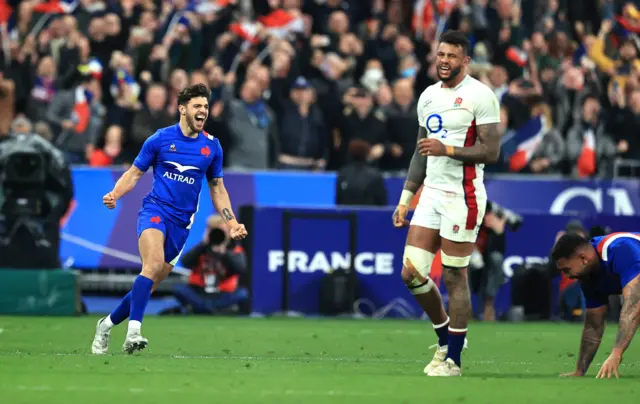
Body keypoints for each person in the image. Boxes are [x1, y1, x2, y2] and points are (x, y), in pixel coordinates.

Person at [90, 84, 248, 355]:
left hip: (181, 225)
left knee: (148, 284)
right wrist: (115, 194)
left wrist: (231, 222)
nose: (203, 111)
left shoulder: (212, 147)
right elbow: (134, 173)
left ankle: (105, 325)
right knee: (150, 266)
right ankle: (134, 333)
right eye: (198, 106)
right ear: (182, 109)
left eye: (206, 107)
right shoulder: (160, 139)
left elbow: (217, 189)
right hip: (155, 211)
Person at [392, 30, 501, 377]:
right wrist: (406, 199)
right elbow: (420, 152)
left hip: (463, 196)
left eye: (452, 56)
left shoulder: (480, 96)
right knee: (410, 272)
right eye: (440, 54)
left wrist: (448, 150)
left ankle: (453, 360)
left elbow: (491, 151)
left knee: (455, 275)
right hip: (431, 195)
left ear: (465, 61)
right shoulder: (427, 97)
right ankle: (445, 337)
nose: (443, 61)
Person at [552, 232, 640, 379]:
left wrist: (616, 354)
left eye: (566, 269)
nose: (567, 276)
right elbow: (594, 325)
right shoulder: (588, 277)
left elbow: (633, 307)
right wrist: (580, 371)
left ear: (583, 258)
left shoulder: (622, 251)